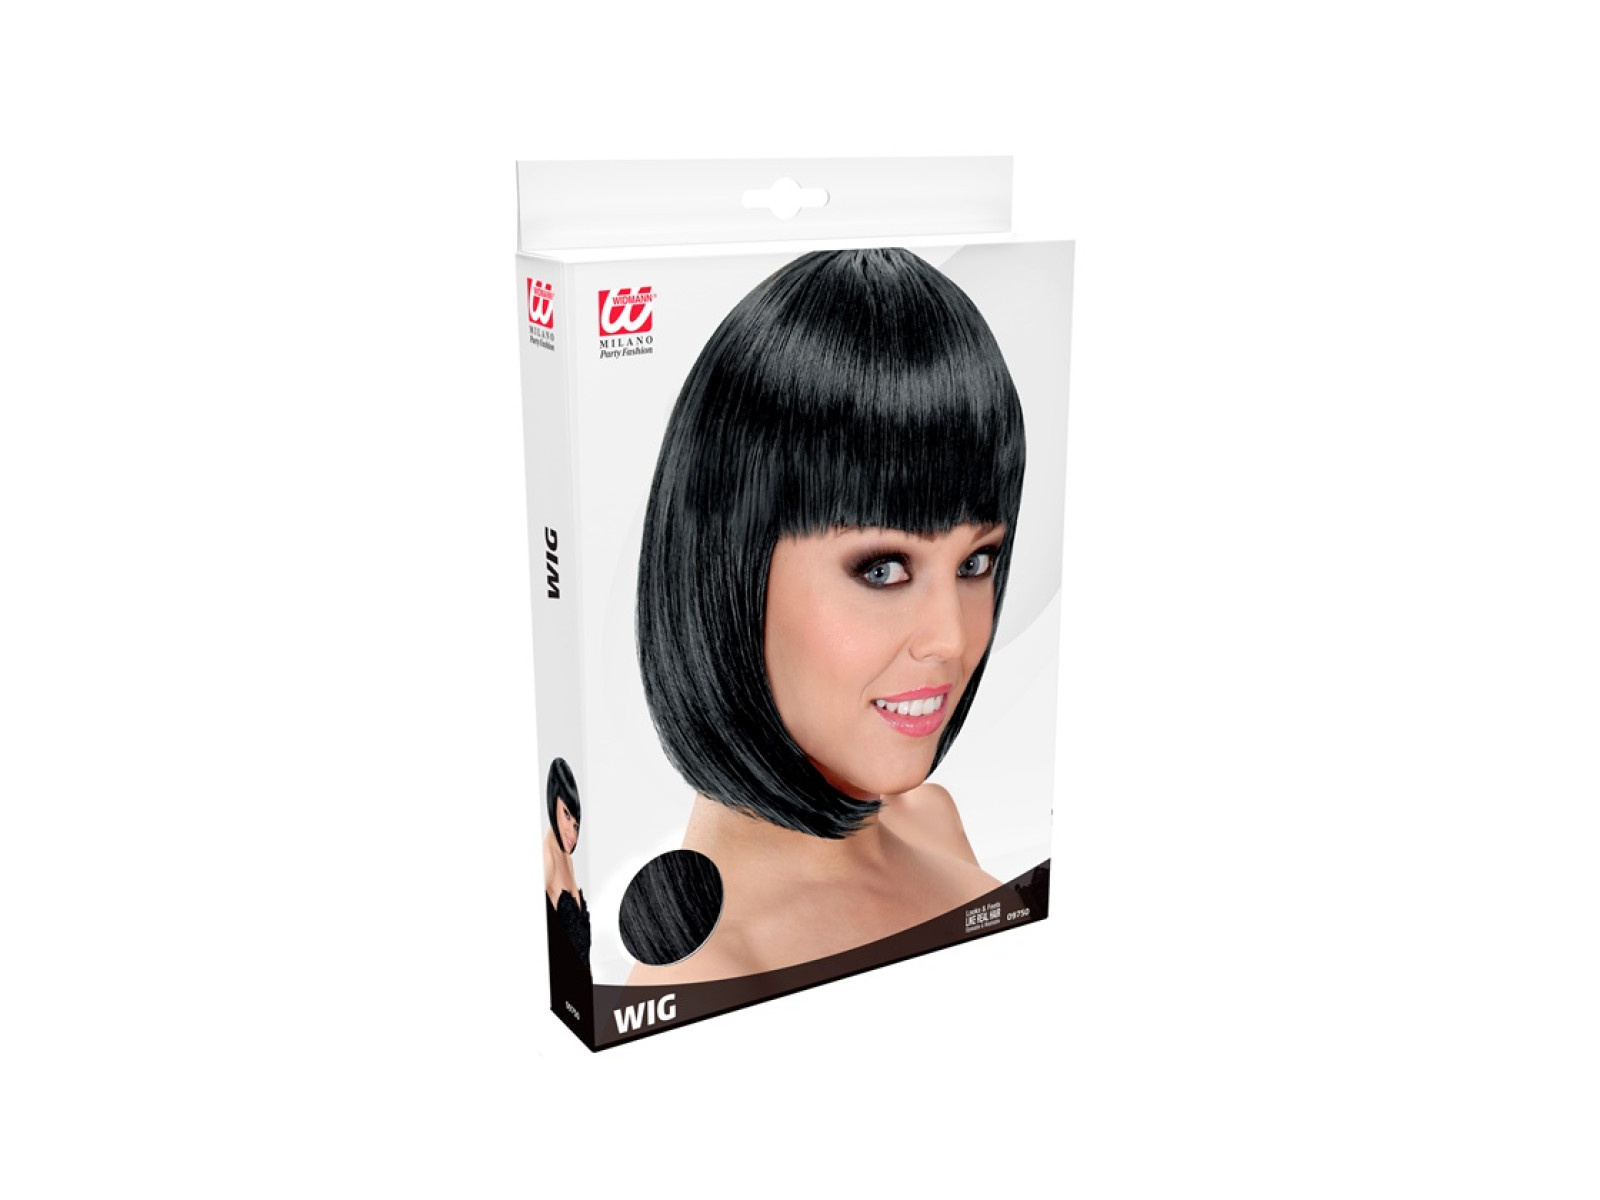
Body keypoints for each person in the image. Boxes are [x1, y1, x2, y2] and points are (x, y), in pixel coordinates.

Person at [629, 248, 1025, 984]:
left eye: (975, 563)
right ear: (730, 566)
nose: (952, 640)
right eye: (882, 569)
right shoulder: (706, 975)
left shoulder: (928, 817)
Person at [542, 758, 589, 963]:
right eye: (567, 815)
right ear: (553, 801)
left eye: (576, 826)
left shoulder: (567, 859)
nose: (572, 832)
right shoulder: (546, 859)